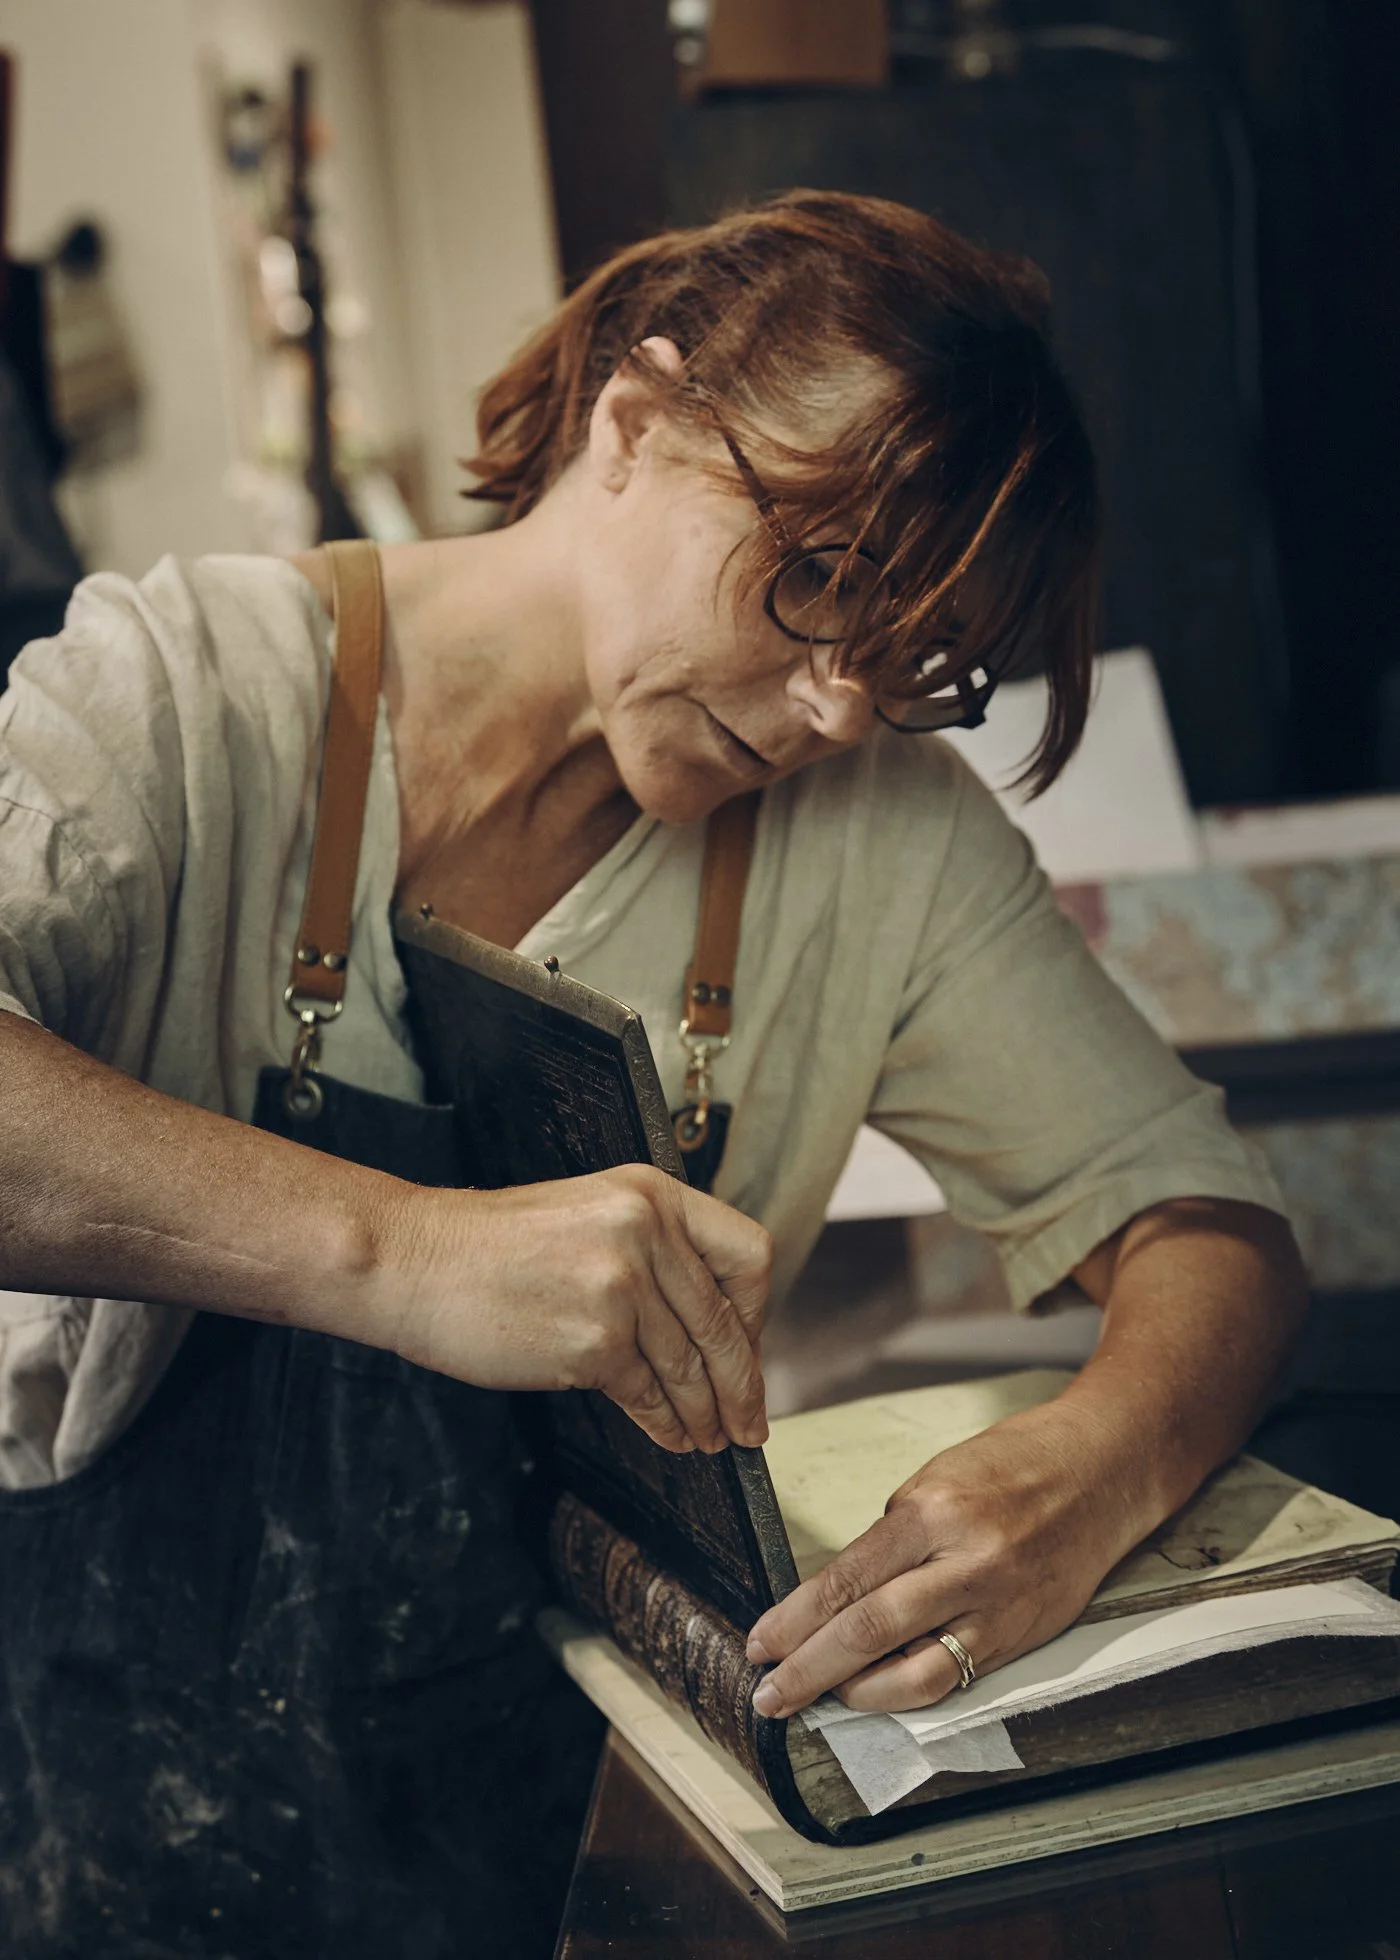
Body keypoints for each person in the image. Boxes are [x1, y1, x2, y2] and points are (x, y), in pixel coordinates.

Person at [0, 191, 1303, 1956]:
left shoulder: (883, 838)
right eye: (821, 575)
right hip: (94, 1788)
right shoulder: (188, 696)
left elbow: (1209, 1224)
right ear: (634, 423)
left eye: (913, 658)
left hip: (585, 1822)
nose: (841, 707)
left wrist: (1099, 1468)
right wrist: (411, 1256)